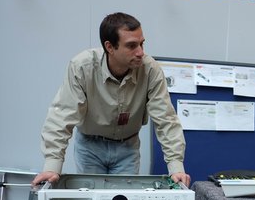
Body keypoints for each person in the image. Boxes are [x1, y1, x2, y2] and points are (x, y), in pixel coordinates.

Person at [32, 12, 190, 186]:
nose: (140, 52)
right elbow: (61, 115)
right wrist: (52, 166)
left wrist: (176, 167)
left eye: (142, 44)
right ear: (110, 47)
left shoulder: (150, 69)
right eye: (131, 46)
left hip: (127, 148)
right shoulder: (82, 67)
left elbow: (166, 119)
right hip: (90, 146)